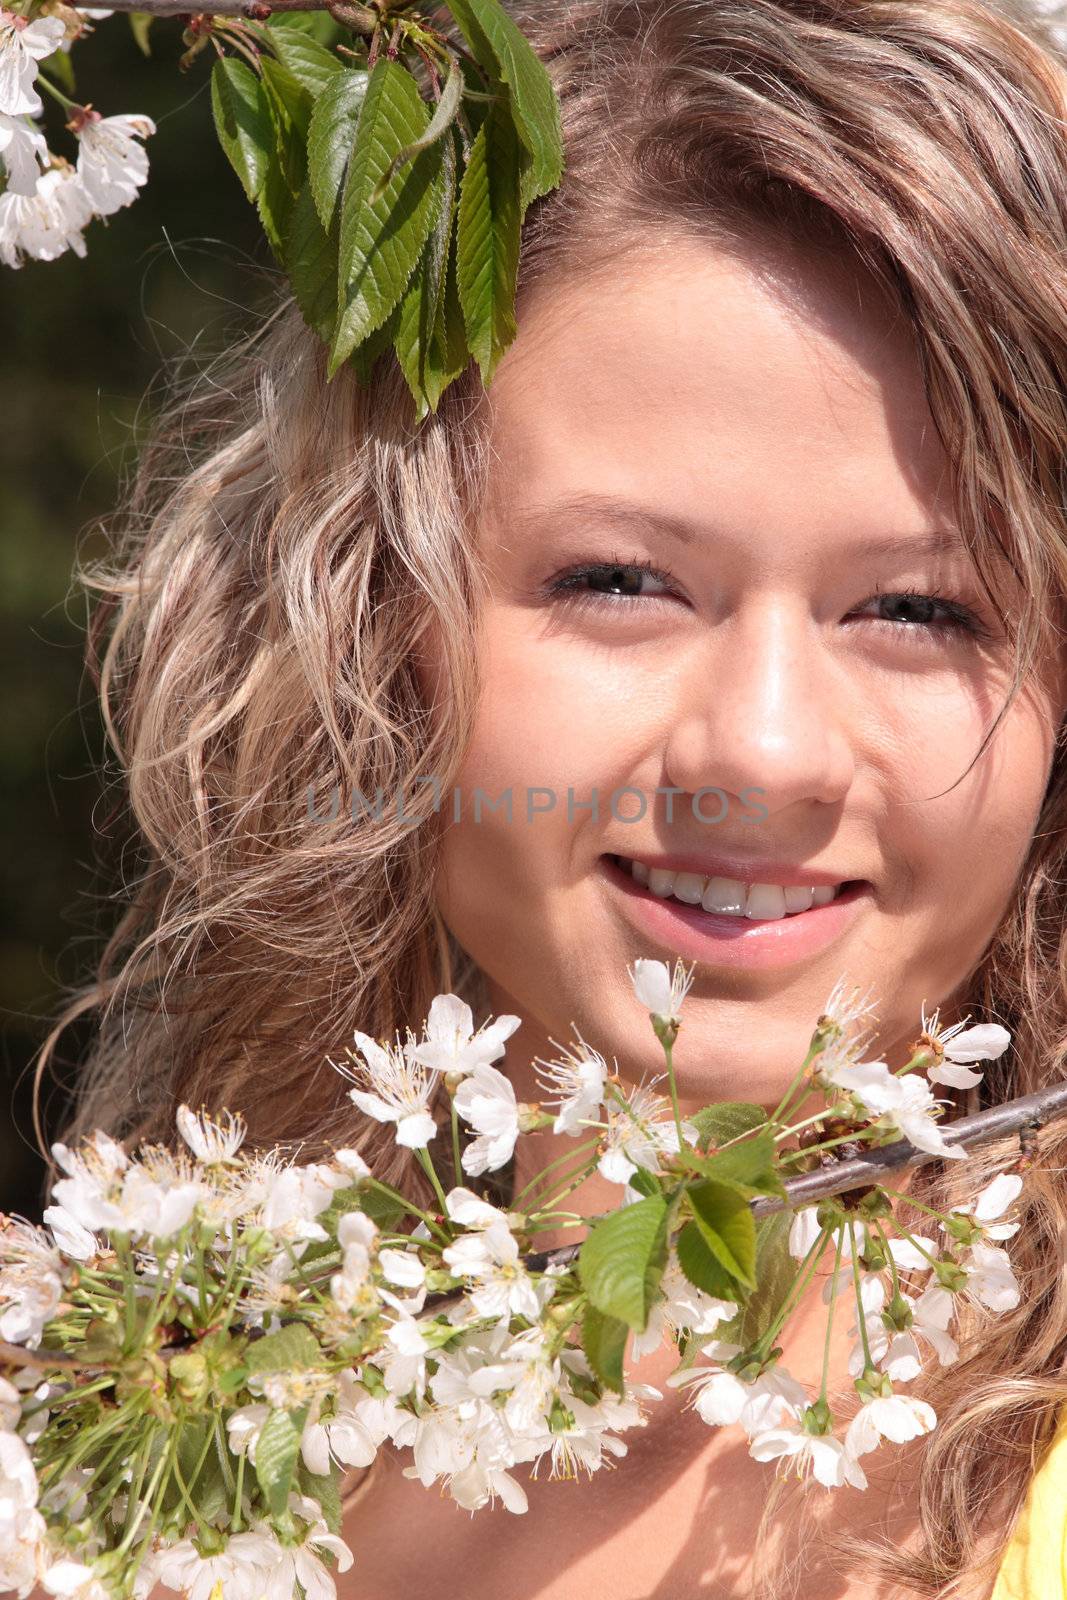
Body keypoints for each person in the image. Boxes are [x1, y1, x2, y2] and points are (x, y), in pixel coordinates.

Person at [32, 0, 1067, 1594]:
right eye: (623, 582)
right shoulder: (120, 1460)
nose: (765, 753)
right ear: (381, 632)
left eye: (924, 610)